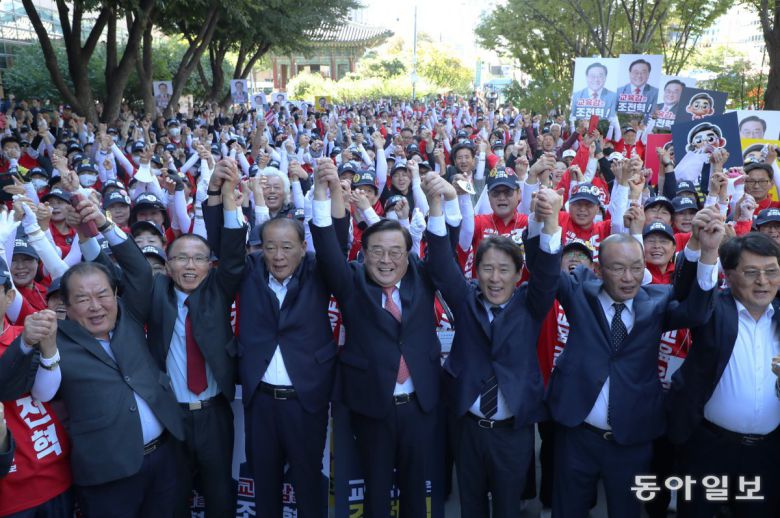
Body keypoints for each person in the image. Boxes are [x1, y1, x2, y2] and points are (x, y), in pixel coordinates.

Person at [0, 197, 186, 517]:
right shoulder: (56, 341)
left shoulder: (128, 317)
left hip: (165, 460)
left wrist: (100, 224)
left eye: (102, 295)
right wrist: (29, 343)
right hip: (107, 476)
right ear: (67, 309)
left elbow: (139, 270)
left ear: (115, 295)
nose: (95, 306)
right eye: (83, 300)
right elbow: (7, 386)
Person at [546, 206, 723, 517]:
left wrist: (707, 252)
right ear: (599, 270)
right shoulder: (579, 293)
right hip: (577, 433)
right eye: (617, 269)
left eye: (636, 268)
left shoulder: (656, 301)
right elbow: (543, 265)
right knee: (568, 509)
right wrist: (545, 222)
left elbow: (696, 311)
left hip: (632, 438)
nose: (629, 278)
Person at [310, 158, 458, 517]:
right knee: (376, 491)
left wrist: (441, 204)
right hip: (372, 405)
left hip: (419, 405)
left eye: (396, 252)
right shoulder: (352, 281)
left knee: (414, 489)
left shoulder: (422, 278)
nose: (386, 260)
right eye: (377, 251)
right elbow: (328, 249)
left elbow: (441, 252)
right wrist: (319, 193)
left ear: (409, 257)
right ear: (363, 254)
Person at [424, 174, 562, 518]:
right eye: (488, 269)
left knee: (506, 507)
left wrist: (551, 221)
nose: (495, 278)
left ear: (518, 275)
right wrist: (437, 205)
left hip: (512, 433)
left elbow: (546, 271)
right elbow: (441, 265)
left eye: (504, 270)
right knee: (470, 505)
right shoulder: (466, 299)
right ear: (477, 272)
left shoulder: (531, 304)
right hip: (467, 428)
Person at [229, 164, 349, 518]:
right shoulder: (249, 272)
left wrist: (329, 194)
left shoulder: (318, 270)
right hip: (261, 403)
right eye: (270, 248)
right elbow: (228, 242)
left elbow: (334, 242)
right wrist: (228, 201)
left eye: (286, 247)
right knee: (264, 485)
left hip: (306, 401)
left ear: (302, 247)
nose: (278, 256)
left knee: (309, 483)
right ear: (260, 249)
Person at [144, 159, 246, 517]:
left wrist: (228, 197)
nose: (190, 266)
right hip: (170, 416)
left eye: (198, 259)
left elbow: (234, 258)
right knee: (173, 499)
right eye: (181, 259)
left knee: (220, 497)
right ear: (166, 265)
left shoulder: (218, 291)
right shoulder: (155, 294)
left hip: (215, 415)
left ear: (209, 264)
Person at [669, 232, 780, 517]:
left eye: (771, 271)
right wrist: (705, 250)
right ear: (729, 276)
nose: (763, 281)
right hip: (709, 448)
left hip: (765, 454)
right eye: (751, 272)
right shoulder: (712, 310)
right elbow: (688, 295)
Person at [0, 255, 73, 516]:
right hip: (11, 494)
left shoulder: (25, 332)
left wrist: (48, 347)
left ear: (10, 297)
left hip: (57, 475)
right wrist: (26, 345)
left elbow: (45, 393)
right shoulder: (26, 339)